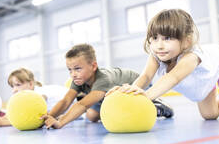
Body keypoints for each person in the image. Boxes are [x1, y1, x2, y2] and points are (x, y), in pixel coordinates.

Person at [107, 9, 219, 120]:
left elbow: (173, 77)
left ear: (186, 41)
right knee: (210, 115)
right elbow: (146, 76)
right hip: (204, 79)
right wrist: (130, 91)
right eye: (154, 38)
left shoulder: (191, 58)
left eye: (167, 38)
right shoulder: (156, 55)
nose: (159, 45)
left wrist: (146, 96)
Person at [41, 43, 173, 129]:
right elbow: (65, 101)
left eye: (77, 69)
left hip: (137, 85)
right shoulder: (78, 80)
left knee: (128, 111)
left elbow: (82, 105)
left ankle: (157, 106)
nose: (73, 74)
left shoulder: (102, 79)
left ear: (93, 66)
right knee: (91, 116)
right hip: (110, 95)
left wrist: (60, 122)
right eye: (69, 70)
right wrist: (48, 117)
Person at [0, 68, 71, 127]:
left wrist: (1, 122)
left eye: (18, 85)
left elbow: (29, 120)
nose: (14, 90)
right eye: (12, 86)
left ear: (30, 84)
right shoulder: (28, 97)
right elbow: (14, 114)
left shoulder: (39, 95)